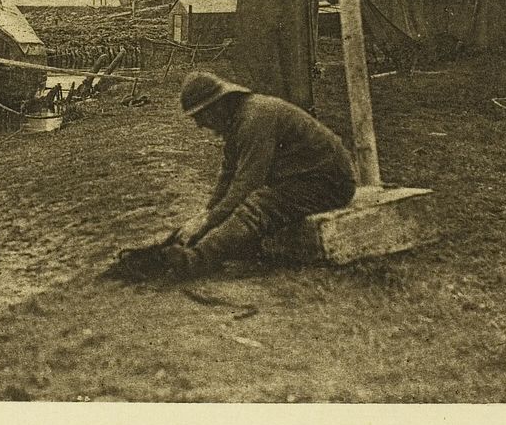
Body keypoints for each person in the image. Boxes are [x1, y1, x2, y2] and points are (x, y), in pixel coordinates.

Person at [119, 71, 356, 280]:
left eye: (201, 117)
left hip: (329, 182)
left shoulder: (255, 117)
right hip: (301, 179)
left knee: (259, 205)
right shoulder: (238, 120)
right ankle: (187, 249)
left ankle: (195, 261)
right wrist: (206, 215)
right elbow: (228, 175)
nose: (202, 125)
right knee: (247, 206)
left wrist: (209, 221)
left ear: (217, 105)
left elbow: (246, 185)